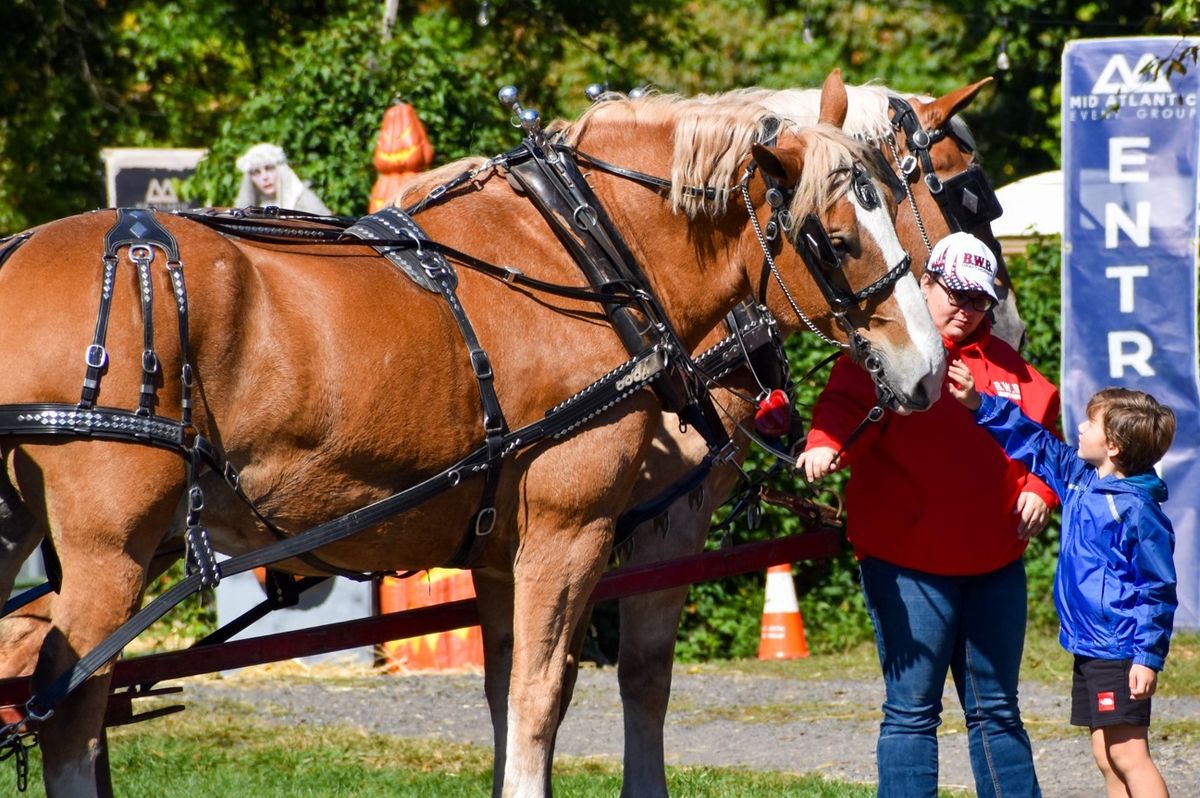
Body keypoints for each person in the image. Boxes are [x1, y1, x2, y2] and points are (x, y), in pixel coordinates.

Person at [795, 231, 1060, 798]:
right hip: (907, 563)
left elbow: (1048, 437)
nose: (965, 309)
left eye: (979, 300)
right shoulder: (889, 353)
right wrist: (823, 441)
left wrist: (1043, 488)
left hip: (994, 566)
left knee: (997, 711)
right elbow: (845, 406)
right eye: (955, 294)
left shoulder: (1012, 370)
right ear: (926, 283)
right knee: (913, 711)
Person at [949, 371, 1177, 798]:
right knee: (1105, 756)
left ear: (1114, 446)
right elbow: (1034, 442)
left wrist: (1147, 656)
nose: (1079, 427)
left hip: (1121, 649)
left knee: (1129, 756)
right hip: (1090, 647)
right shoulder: (1078, 479)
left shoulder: (1137, 508)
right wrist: (979, 403)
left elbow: (1157, 588)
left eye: (1091, 424)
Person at [234, 142, 332, 214]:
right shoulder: (251, 208)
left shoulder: (303, 199)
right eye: (256, 172)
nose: (264, 177)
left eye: (269, 169)